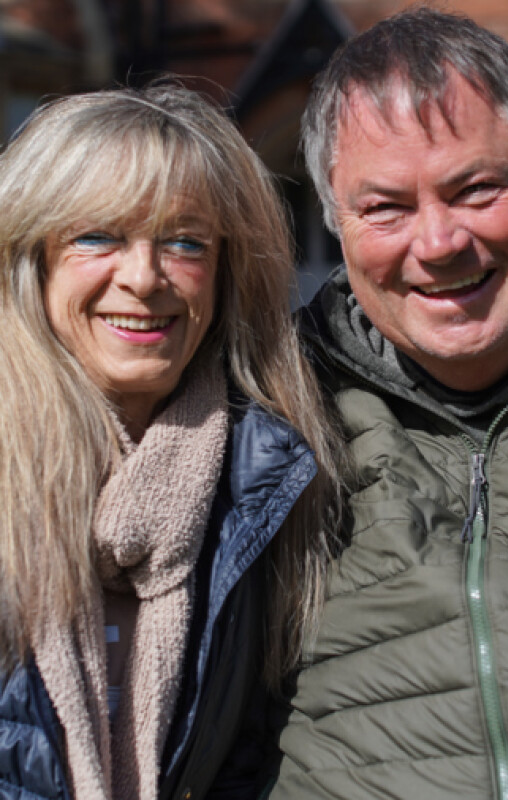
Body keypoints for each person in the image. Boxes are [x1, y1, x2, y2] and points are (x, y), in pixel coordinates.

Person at [0, 81, 340, 800]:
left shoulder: (271, 480)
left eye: (185, 241)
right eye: (96, 236)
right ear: (32, 257)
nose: (144, 277)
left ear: (224, 273)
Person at [266, 7, 508, 800]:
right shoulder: (263, 422)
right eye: (385, 207)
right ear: (335, 223)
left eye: (476, 189)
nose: (439, 242)